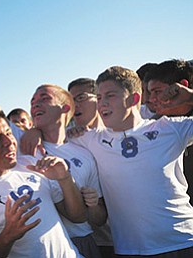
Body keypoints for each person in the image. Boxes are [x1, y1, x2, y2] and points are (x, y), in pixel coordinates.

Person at [69, 66, 193, 256]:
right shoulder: (89, 139)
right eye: (99, 97)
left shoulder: (170, 128)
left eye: (110, 95)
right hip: (129, 249)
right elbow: (48, 135)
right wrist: (35, 133)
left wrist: (190, 96)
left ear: (134, 99)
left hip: (182, 242)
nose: (102, 104)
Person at [0, 105, 85, 257]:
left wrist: (65, 178)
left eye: (8, 133)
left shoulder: (32, 165)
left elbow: (78, 217)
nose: (8, 142)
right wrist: (8, 236)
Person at [17, 83, 106, 258]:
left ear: (65, 107)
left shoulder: (84, 153)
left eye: (45, 99)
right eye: (33, 101)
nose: (35, 104)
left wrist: (94, 204)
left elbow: (100, 219)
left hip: (82, 241)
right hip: (42, 247)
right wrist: (33, 130)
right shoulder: (22, 144)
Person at [68, 78, 115, 258]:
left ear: (98, 98)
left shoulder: (118, 133)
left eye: (80, 98)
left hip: (128, 235)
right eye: (71, 100)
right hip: (93, 241)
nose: (75, 105)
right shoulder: (69, 139)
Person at [145, 59, 193, 206]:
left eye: (157, 92)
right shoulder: (154, 127)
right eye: (149, 92)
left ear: (182, 86)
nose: (152, 99)